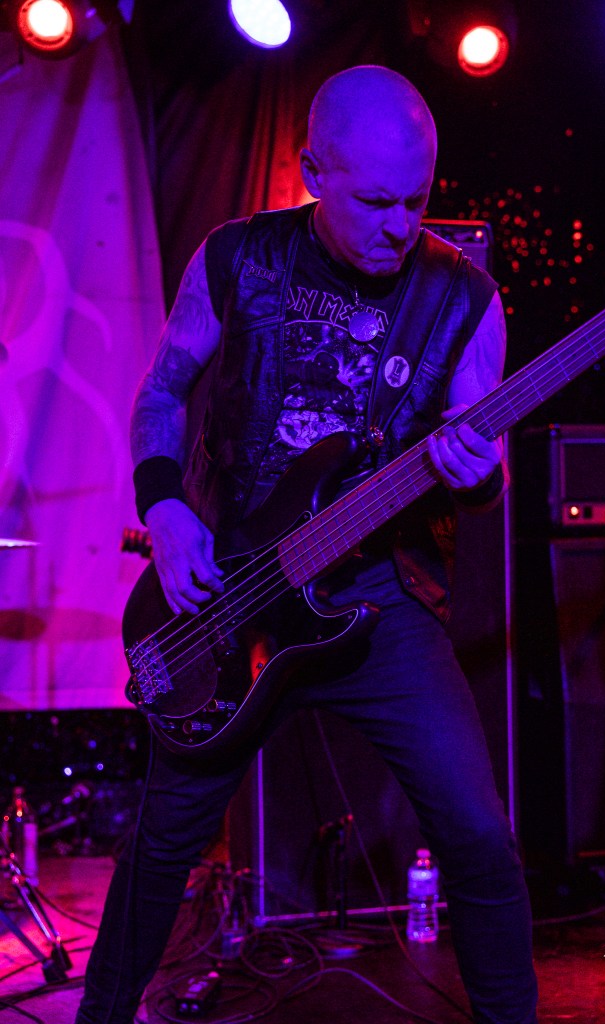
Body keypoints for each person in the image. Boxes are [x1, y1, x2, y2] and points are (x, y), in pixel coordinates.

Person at [75, 66, 538, 1024]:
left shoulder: (464, 299)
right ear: (313, 171)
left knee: (481, 840)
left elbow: (481, 466)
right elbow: (163, 390)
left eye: (416, 199)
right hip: (232, 593)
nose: (399, 224)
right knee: (160, 847)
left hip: (379, 603)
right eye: (373, 200)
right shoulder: (237, 256)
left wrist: (477, 471)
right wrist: (166, 511)